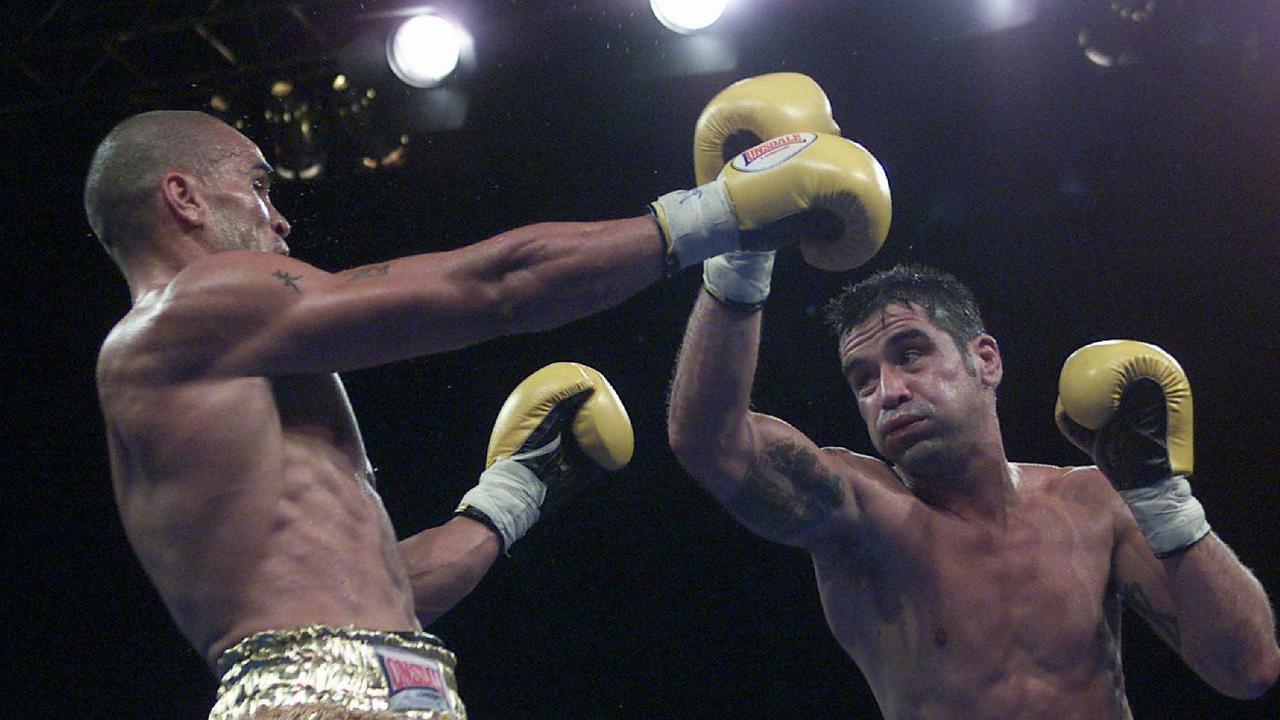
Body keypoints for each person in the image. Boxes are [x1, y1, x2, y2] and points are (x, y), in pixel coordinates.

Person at [82, 106, 885, 719]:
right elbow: (489, 290)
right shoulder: (184, 312)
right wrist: (713, 214)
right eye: (258, 186)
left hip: (388, 683)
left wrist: (514, 491)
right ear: (182, 198)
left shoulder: (223, 371)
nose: (280, 217)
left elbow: (390, 595)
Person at [666, 76, 1280, 719]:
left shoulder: (1093, 503)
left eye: (910, 354)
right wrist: (741, 254)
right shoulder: (863, 516)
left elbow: (1249, 668)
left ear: (984, 360)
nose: (888, 391)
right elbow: (711, 442)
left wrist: (1160, 495)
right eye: (862, 379)